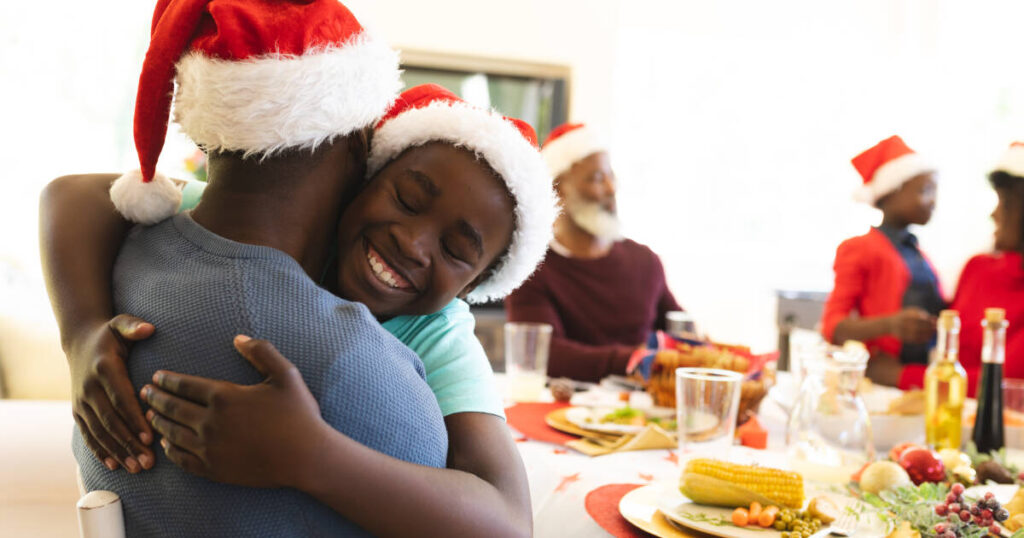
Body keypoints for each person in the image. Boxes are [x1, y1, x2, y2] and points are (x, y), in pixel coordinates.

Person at [40, 2, 553, 536]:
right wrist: (81, 335)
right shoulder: (265, 226)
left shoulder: (437, 329)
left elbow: (508, 522)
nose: (413, 243)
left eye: (456, 252)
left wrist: (314, 457)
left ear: (474, 286)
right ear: (365, 171)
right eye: (405, 198)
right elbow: (72, 196)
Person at [505, 123, 682, 382]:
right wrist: (636, 360)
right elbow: (544, 354)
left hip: (645, 411)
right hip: (566, 412)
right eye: (597, 178)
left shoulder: (645, 261)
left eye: (611, 176)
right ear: (558, 190)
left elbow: (679, 333)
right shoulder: (531, 267)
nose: (611, 189)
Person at [821, 135, 945, 388]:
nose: (933, 200)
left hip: (921, 376)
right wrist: (890, 325)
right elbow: (832, 326)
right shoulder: (859, 248)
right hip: (881, 380)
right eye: (925, 190)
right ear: (893, 191)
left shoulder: (917, 252)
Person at [938, 142, 1024, 395]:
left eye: (1005, 203)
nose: (994, 214)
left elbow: (1008, 382)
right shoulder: (976, 268)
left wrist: (898, 375)